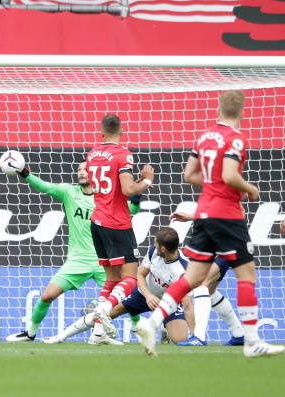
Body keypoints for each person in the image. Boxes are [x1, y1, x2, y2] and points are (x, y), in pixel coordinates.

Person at [136, 90, 284, 357]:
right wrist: (249, 189)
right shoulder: (236, 138)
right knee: (246, 275)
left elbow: (189, 175)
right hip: (228, 216)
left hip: (205, 213)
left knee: (192, 278)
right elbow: (229, 174)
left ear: (219, 108)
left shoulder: (204, 137)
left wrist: (215, 186)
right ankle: (251, 343)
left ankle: (153, 321)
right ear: (240, 112)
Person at [4, 160, 141, 345]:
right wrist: (23, 172)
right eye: (79, 170)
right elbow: (44, 186)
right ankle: (30, 332)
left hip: (103, 261)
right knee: (47, 296)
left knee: (129, 296)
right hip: (77, 261)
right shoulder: (69, 192)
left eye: (86, 170)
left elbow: (131, 209)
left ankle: (137, 329)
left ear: (95, 173)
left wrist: (136, 196)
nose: (82, 173)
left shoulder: (105, 198)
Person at [43, 228, 194, 344]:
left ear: (164, 249)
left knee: (179, 340)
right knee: (104, 313)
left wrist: (195, 337)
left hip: (169, 302)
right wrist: (148, 295)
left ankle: (165, 328)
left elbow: (188, 306)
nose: (153, 244)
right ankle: (60, 336)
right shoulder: (153, 252)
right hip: (143, 294)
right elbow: (140, 275)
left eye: (156, 242)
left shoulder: (183, 271)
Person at [86, 114, 154, 335]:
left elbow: (114, 187)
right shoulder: (123, 154)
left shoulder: (92, 154)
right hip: (117, 223)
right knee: (130, 280)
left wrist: (135, 183)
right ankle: (104, 310)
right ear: (122, 131)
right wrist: (146, 181)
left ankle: (97, 334)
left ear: (101, 132)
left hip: (97, 221)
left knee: (112, 279)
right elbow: (127, 190)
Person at [170, 211, 245, 346]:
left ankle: (199, 337)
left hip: (227, 245)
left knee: (201, 285)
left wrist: (190, 217)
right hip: (217, 245)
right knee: (209, 291)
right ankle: (239, 334)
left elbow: (237, 209)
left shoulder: (227, 192)